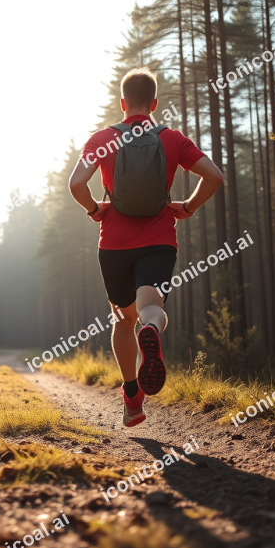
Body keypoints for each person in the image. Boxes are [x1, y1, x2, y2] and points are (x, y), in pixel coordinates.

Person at [68, 68, 223, 428]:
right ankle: (150, 330)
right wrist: (189, 205)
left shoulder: (103, 138)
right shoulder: (171, 138)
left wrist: (94, 210)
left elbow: (76, 184)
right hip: (158, 240)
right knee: (150, 307)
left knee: (122, 318)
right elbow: (214, 175)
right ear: (154, 104)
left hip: (114, 244)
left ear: (122, 103)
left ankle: (133, 397)